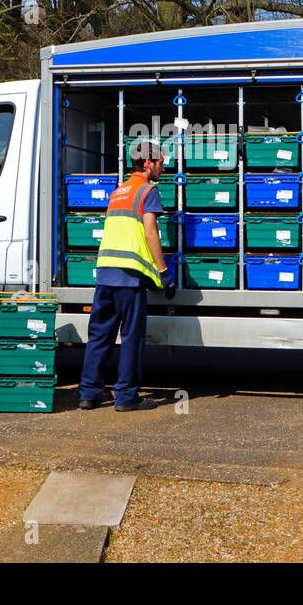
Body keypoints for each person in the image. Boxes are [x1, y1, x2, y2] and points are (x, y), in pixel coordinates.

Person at [79, 139, 176, 411]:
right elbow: (149, 232)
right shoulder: (148, 191)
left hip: (105, 274)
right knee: (131, 338)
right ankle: (125, 397)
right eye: (160, 162)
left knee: (99, 336)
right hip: (129, 278)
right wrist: (164, 271)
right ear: (147, 163)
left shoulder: (119, 191)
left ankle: (88, 393)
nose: (163, 168)